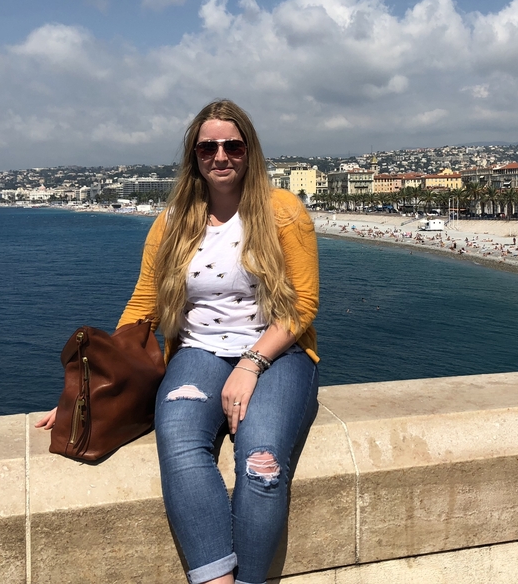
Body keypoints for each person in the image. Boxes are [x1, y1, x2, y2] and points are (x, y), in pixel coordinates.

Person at [37, 99, 320, 584]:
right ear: (194, 156)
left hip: (278, 354)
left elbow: (301, 306)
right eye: (207, 147)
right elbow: (142, 307)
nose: (220, 155)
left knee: (261, 463)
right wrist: (84, 391)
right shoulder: (171, 222)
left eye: (233, 145)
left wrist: (251, 365)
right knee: (181, 440)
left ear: (249, 151)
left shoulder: (284, 212)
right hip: (198, 353)